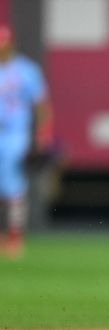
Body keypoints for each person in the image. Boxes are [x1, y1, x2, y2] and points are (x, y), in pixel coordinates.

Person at [0, 24, 53, 259]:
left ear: (11, 43)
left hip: (15, 133)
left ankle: (14, 238)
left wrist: (42, 134)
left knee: (13, 184)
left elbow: (40, 105)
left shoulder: (26, 70)